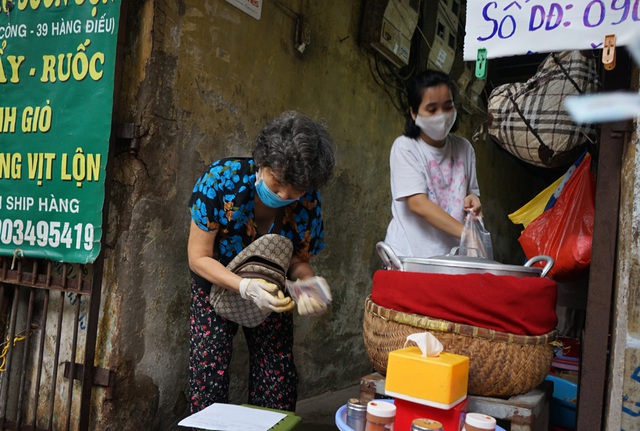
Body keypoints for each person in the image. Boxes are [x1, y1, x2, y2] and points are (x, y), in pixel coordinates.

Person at [187, 111, 336, 414]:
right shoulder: (221, 181)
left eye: (296, 190)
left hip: (272, 289)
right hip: (216, 280)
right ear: (263, 161)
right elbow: (198, 257)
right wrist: (243, 286)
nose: (283, 194)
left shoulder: (308, 203)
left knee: (277, 376)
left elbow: (297, 258)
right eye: (277, 182)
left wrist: (307, 282)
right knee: (208, 371)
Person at [384, 70, 482, 258]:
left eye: (448, 106)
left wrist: (474, 201)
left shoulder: (465, 148)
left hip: (451, 257)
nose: (441, 115)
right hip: (410, 256)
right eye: (431, 109)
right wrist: (466, 233)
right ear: (414, 112)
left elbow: (472, 194)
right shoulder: (406, 148)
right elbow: (418, 204)